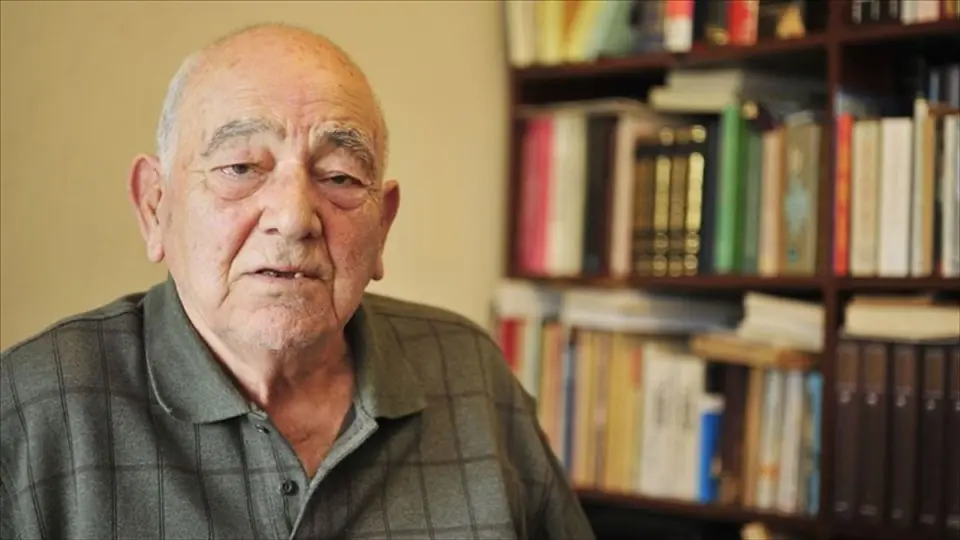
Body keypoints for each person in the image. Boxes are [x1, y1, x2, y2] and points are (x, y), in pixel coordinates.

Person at [0, 23, 595, 540]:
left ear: (383, 225)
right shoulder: (34, 407)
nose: (293, 217)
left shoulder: (470, 375)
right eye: (241, 167)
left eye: (339, 177)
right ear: (156, 207)